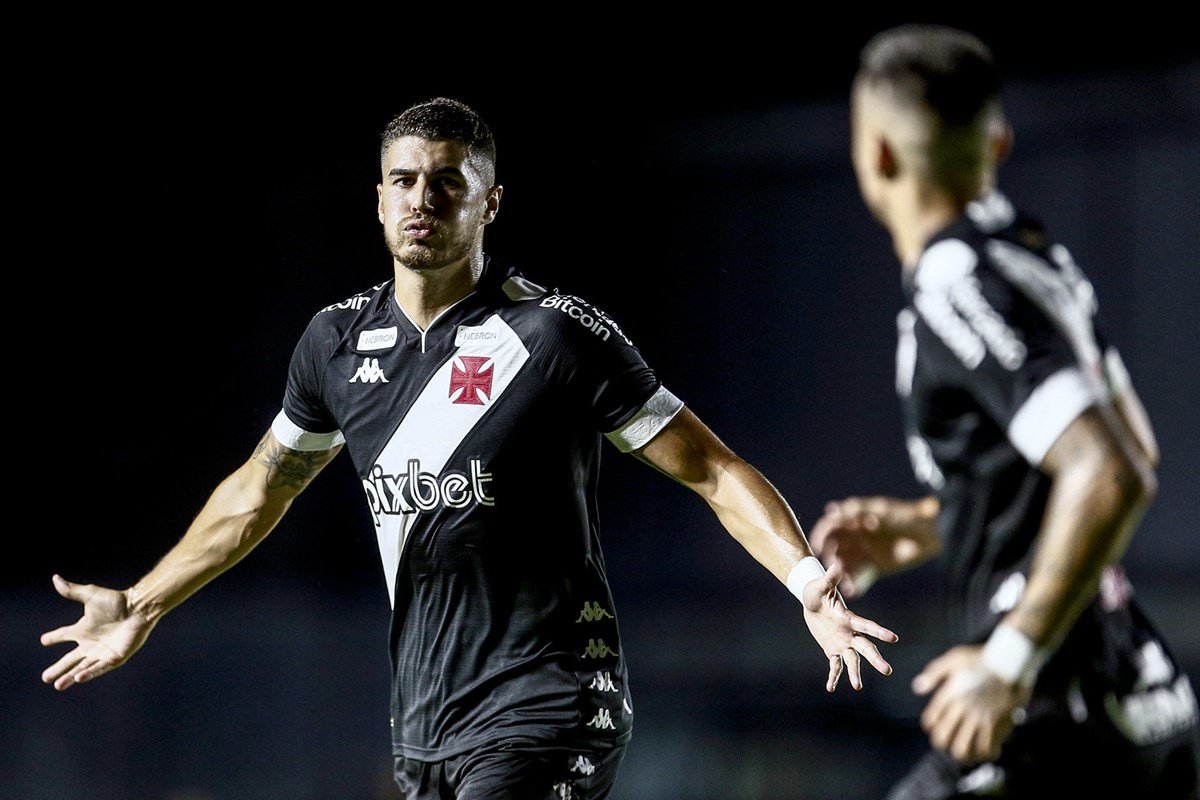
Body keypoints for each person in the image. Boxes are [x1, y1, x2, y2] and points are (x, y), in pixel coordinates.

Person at [40, 97, 897, 799]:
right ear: (376, 199)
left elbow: (712, 467)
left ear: (489, 201)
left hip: (552, 705)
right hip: (422, 725)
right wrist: (145, 601)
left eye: (447, 183)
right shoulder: (334, 343)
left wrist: (801, 579)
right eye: (403, 182)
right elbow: (260, 488)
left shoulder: (554, 334)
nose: (421, 201)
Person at [810, 24, 1200, 799]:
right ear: (999, 145)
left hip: (1056, 715)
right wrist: (928, 527)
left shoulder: (954, 281)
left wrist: (1008, 661)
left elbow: (1112, 472)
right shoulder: (1032, 255)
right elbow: (1134, 453)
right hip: (1141, 700)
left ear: (876, 154)